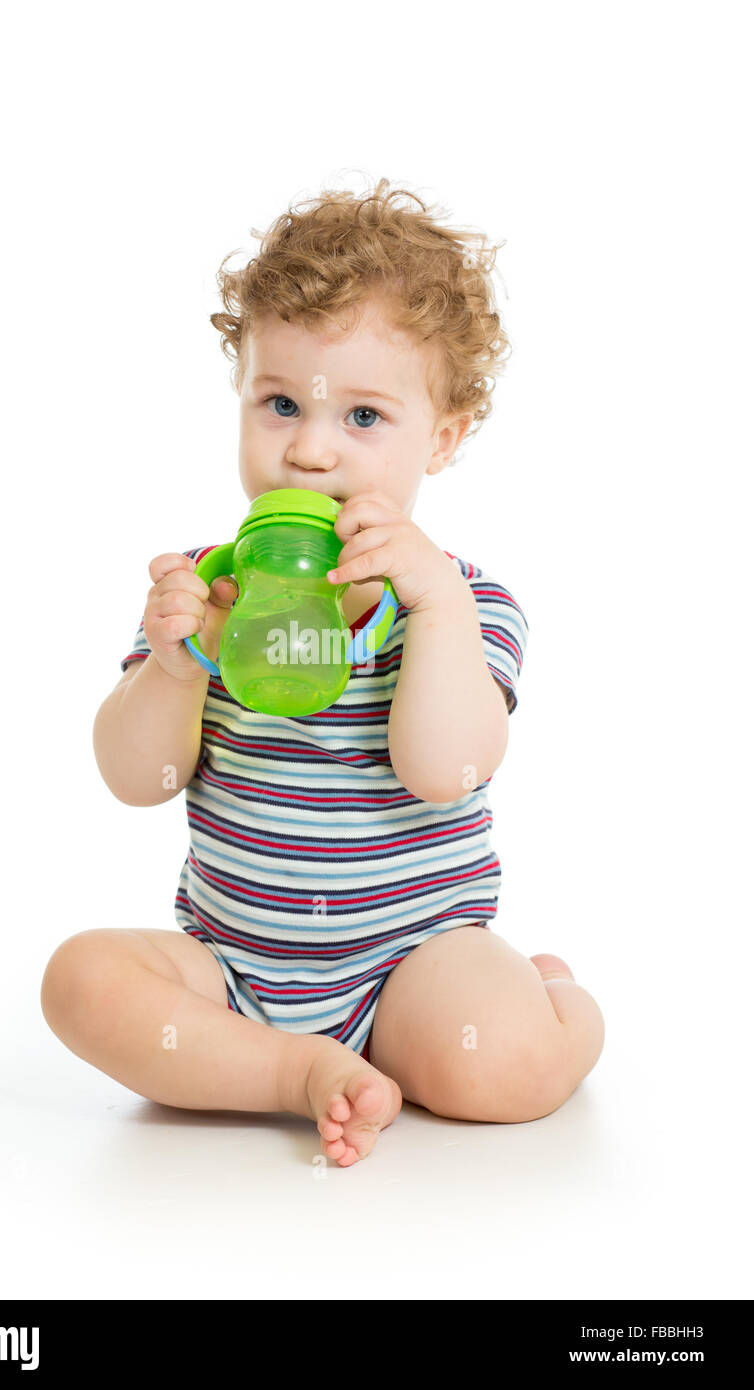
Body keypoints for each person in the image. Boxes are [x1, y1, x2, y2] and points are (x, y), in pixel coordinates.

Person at [41, 178, 604, 1167]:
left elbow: (446, 769)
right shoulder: (209, 593)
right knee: (78, 981)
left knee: (503, 1068)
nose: (307, 449)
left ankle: (554, 997)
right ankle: (289, 1069)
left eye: (363, 417)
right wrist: (172, 666)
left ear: (442, 436)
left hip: (415, 966)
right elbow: (136, 780)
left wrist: (434, 608)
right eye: (280, 404)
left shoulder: (464, 603)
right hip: (228, 965)